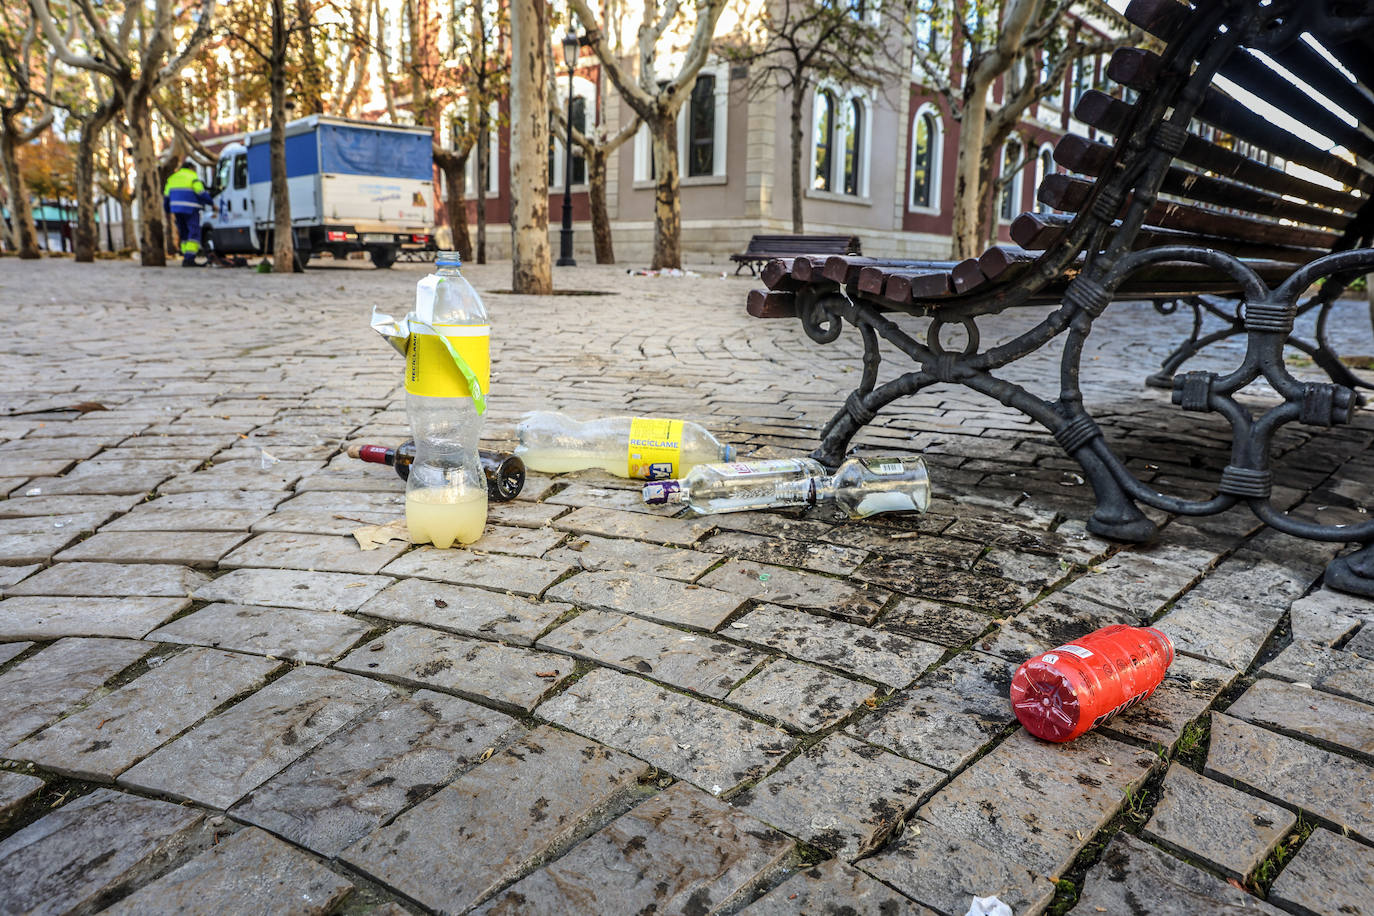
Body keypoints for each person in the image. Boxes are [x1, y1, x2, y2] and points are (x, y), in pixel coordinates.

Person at [163, 158, 212, 266]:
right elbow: (201, 193)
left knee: (184, 233)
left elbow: (166, 197)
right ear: (190, 168)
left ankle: (186, 256)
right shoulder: (193, 177)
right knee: (194, 232)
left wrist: (167, 210)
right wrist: (212, 202)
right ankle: (190, 258)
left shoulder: (172, 178)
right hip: (191, 209)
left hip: (177, 210)